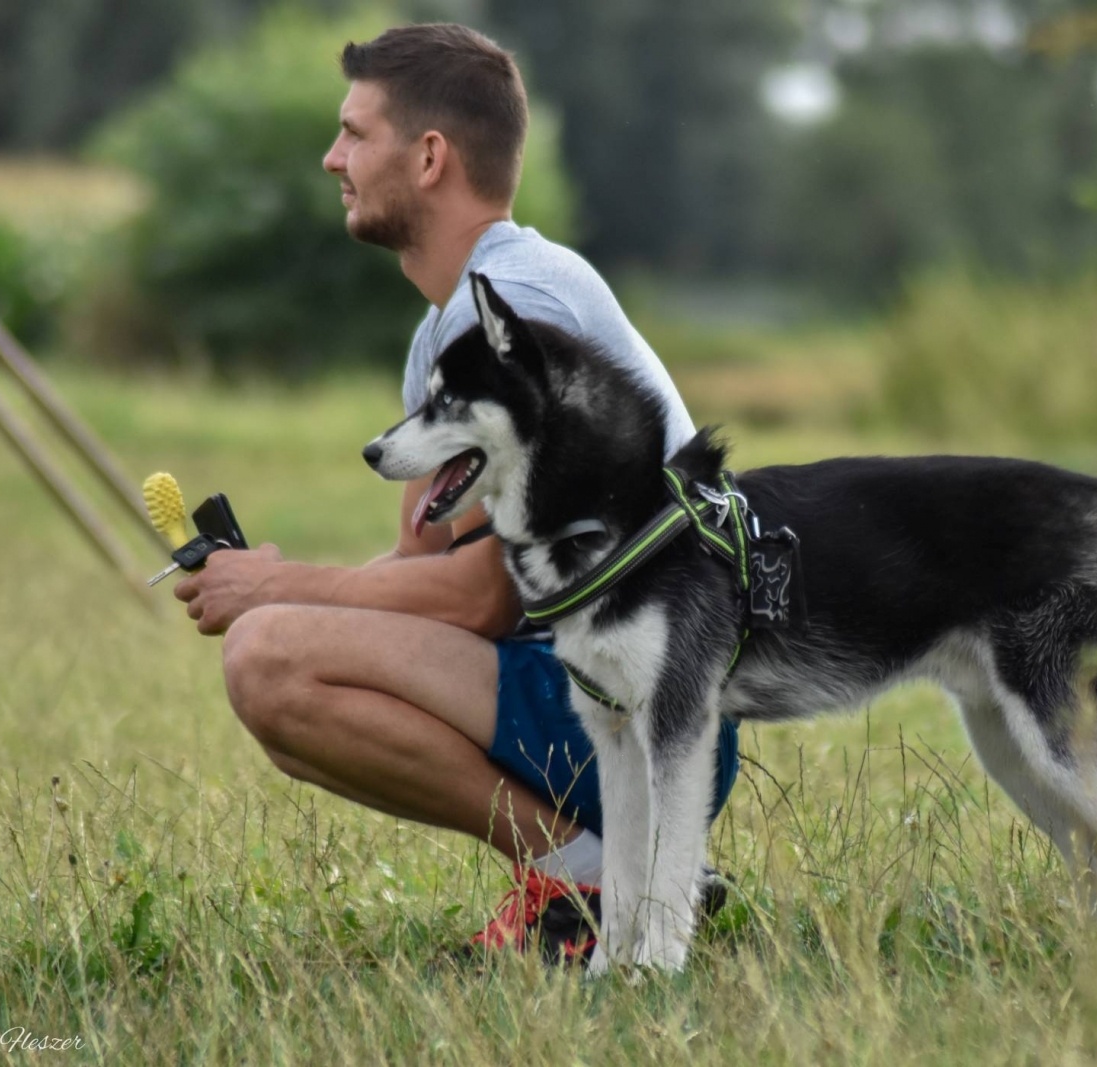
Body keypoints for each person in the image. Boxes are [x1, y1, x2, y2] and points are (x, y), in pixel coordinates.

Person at [173, 22, 740, 963]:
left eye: (356, 133)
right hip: (575, 687)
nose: (332, 157)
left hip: (649, 713)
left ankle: (594, 873)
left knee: (270, 653)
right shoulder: (453, 327)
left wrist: (277, 592)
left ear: (429, 156)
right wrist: (275, 581)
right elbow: (422, 568)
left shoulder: (525, 309)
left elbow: (482, 597)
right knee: (278, 660)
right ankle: (598, 867)